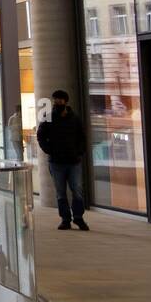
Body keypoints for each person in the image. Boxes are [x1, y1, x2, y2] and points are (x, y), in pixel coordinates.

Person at [36, 89, 89, 231]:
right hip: (56, 161)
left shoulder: (74, 118)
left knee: (77, 190)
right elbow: (40, 136)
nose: (57, 102)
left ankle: (78, 218)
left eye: (59, 100)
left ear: (65, 101)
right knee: (60, 192)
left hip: (73, 161)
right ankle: (65, 219)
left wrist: (79, 152)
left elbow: (82, 137)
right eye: (55, 100)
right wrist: (49, 150)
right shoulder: (48, 118)